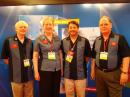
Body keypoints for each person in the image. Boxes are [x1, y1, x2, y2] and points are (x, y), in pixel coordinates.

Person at [91, 16, 130, 97]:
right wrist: (93, 70)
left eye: (106, 24)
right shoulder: (97, 40)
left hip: (114, 74)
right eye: (101, 24)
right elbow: (94, 57)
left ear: (111, 25)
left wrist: (125, 73)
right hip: (99, 73)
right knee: (101, 95)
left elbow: (126, 56)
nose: (103, 26)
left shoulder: (120, 38)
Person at [1, 20, 34, 97]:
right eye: (20, 27)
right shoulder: (8, 41)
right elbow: (5, 58)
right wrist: (15, 66)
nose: (23, 28)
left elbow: (32, 58)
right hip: (16, 78)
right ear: (16, 29)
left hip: (28, 77)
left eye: (24, 27)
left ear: (27, 29)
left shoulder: (30, 42)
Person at [33, 16, 63, 97]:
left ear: (53, 26)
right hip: (44, 70)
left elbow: (60, 54)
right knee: (45, 92)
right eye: (46, 24)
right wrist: (36, 72)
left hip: (57, 70)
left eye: (50, 24)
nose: (49, 26)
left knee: (56, 92)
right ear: (43, 26)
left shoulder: (57, 38)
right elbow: (35, 56)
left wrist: (62, 69)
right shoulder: (39, 39)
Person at [61, 21, 91, 97]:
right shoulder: (63, 41)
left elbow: (88, 57)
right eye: (70, 27)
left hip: (80, 74)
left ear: (78, 29)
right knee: (69, 95)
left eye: (74, 27)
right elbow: (62, 56)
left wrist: (80, 64)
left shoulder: (84, 41)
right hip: (67, 74)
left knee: (81, 95)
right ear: (68, 29)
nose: (72, 29)